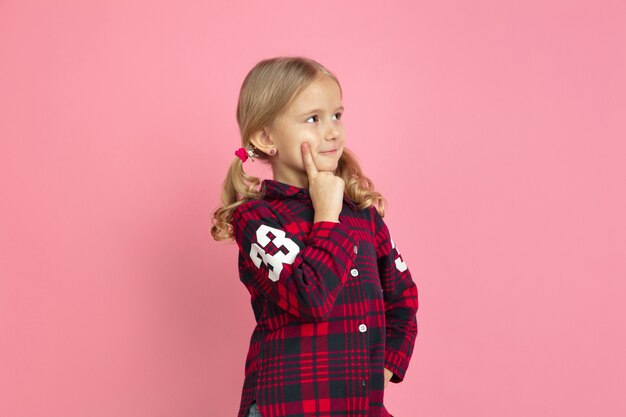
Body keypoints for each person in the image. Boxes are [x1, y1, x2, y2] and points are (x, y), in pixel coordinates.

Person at [211, 56, 419, 417]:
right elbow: (311, 297)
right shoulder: (257, 220)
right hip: (287, 407)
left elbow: (403, 298)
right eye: (313, 119)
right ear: (265, 137)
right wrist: (327, 215)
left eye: (337, 115)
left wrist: (383, 369)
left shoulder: (363, 215)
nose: (333, 131)